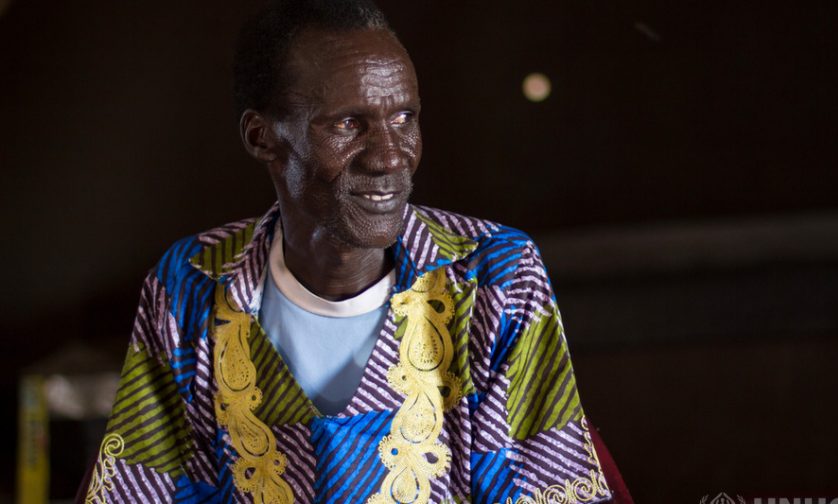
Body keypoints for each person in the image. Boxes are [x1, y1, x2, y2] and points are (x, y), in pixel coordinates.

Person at [80, 0, 632, 502]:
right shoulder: (193, 283)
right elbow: (141, 490)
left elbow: (546, 487)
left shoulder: (494, 277)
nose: (391, 157)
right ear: (261, 137)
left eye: (404, 118)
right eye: (348, 124)